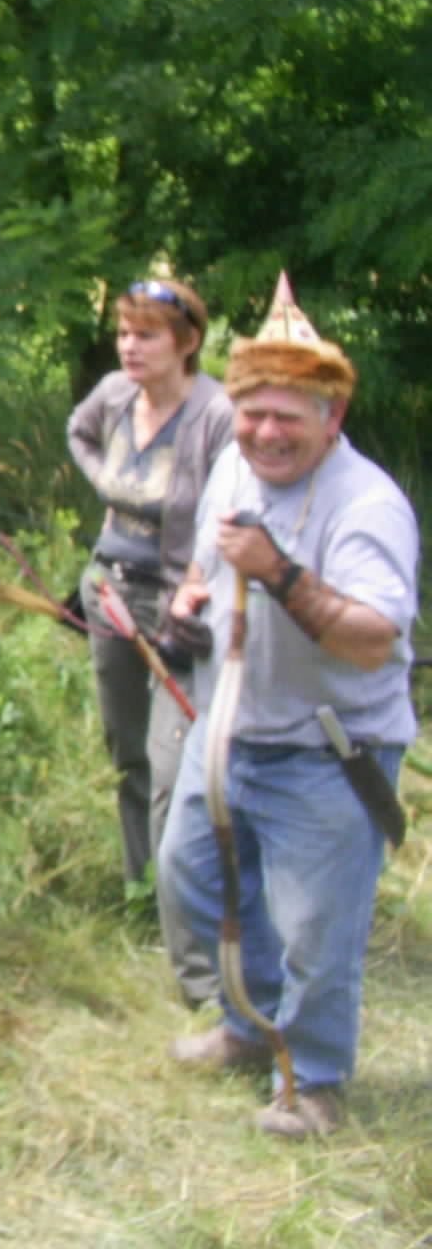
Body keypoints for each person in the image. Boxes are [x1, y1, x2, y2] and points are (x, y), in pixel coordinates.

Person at [158, 273, 417, 1140]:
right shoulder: (235, 464)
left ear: (331, 417)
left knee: (315, 930)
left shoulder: (367, 505)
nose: (266, 433)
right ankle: (249, 1026)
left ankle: (313, 1082)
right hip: (230, 728)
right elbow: (207, 558)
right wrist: (188, 600)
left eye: (288, 417)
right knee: (192, 881)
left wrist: (278, 572)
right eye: (253, 413)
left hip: (328, 750)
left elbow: (372, 639)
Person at [65, 278, 233, 1005]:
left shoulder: (216, 414)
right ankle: (141, 889)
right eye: (125, 333)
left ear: (186, 343)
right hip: (108, 591)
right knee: (126, 749)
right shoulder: (113, 395)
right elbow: (77, 432)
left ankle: (189, 938)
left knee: (173, 769)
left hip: (177, 609)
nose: (130, 347)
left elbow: (231, 512)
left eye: (147, 335)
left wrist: (196, 590)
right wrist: (104, 477)